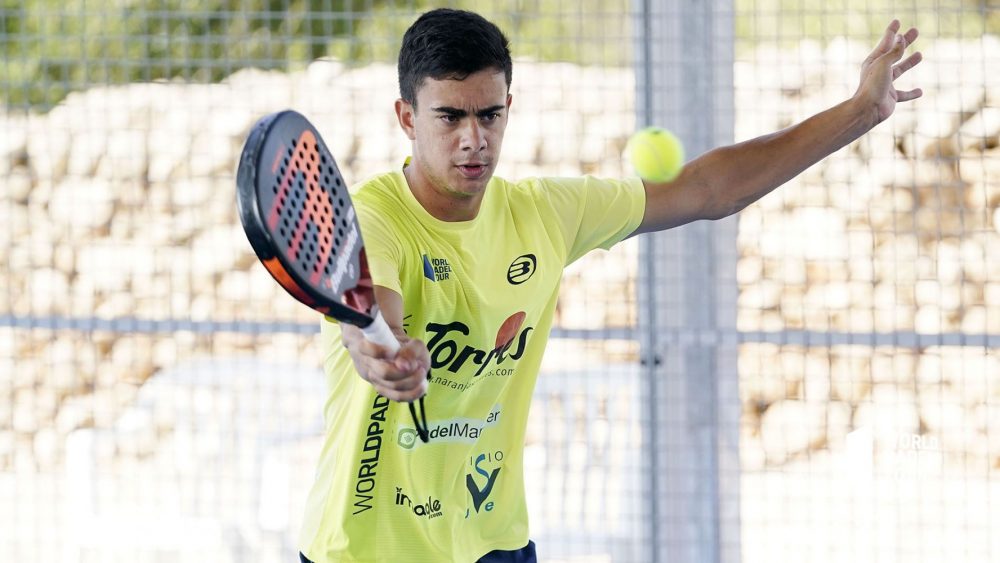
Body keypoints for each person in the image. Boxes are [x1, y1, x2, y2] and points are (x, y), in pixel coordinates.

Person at [298, 8, 922, 563]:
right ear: (407, 117)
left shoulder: (542, 214)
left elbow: (709, 189)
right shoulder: (373, 218)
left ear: (509, 109)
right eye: (450, 116)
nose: (474, 138)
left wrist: (861, 109)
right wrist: (386, 356)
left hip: (493, 542)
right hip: (367, 550)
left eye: (490, 114)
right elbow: (372, 314)